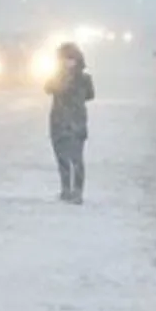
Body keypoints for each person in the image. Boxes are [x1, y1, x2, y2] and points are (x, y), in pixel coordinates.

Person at [45, 41, 94, 204]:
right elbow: (47, 88)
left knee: (76, 157)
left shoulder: (84, 79)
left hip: (76, 122)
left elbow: (90, 95)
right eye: (64, 59)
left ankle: (77, 190)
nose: (68, 63)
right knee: (61, 157)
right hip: (58, 121)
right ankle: (66, 188)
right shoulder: (56, 77)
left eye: (71, 59)